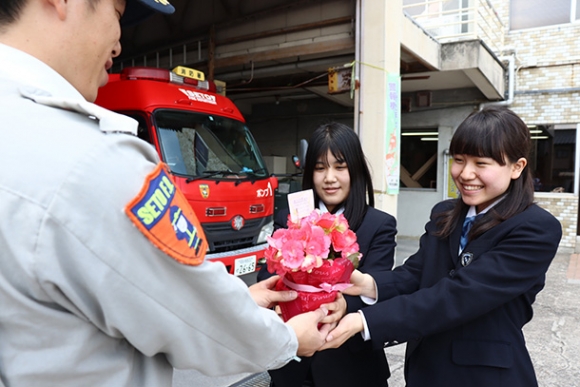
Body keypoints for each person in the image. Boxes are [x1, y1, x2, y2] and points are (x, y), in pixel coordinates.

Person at [0, 0, 332, 385]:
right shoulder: (92, 158)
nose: (119, 44)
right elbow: (195, 317)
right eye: (118, 14)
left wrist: (233, 302)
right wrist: (287, 339)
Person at [321, 107, 563, 387]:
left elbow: (459, 294)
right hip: (426, 370)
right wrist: (366, 284)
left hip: (486, 376)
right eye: (458, 160)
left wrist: (364, 320)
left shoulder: (535, 227)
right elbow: (415, 273)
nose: (465, 174)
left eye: (481, 163)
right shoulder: (445, 213)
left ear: (516, 167)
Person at [258, 122, 398, 387]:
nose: (329, 177)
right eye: (320, 168)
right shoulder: (288, 219)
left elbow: (377, 288)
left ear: (355, 170)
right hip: (292, 367)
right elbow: (269, 273)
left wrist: (344, 305)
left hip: (352, 369)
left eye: (340, 167)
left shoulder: (378, 225)